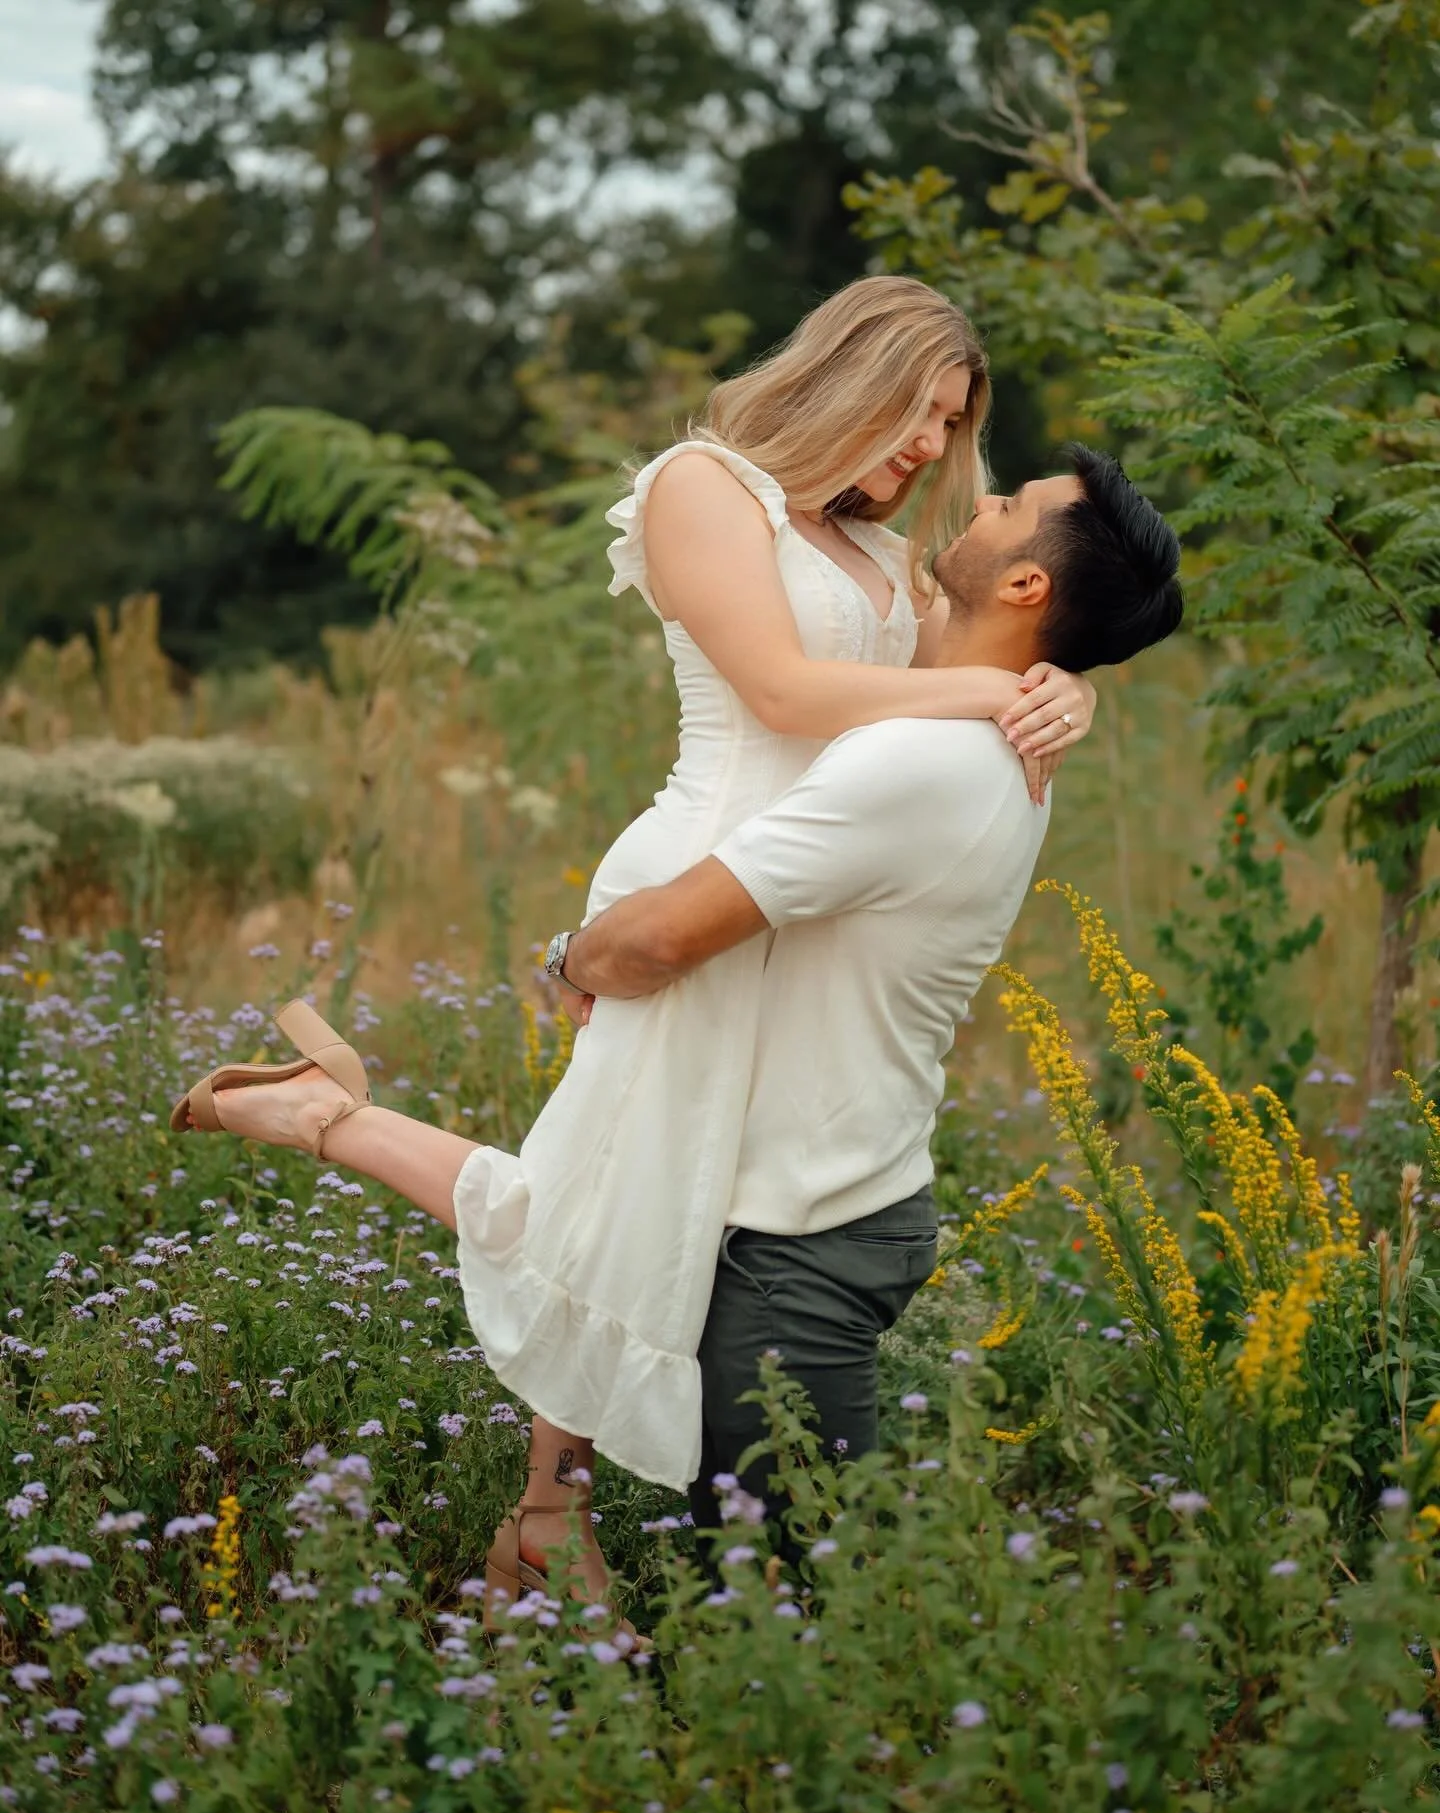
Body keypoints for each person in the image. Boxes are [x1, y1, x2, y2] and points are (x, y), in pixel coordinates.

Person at [170, 277, 1098, 1628]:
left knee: (641, 1202)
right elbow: (783, 693)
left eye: (951, 434)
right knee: (619, 1203)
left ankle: (532, 1482)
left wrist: (1061, 682)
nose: (927, 456)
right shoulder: (702, 486)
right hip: (697, 873)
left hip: (798, 891)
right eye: (920, 417)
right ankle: (547, 1496)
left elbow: (1016, 620)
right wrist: (988, 688)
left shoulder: (896, 560)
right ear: (852, 372)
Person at [552, 444, 1184, 1546]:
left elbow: (659, 937)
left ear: (1029, 584)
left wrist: (566, 960)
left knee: (787, 1596)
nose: (973, 497)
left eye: (1006, 504)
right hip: (831, 1198)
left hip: (801, 1237)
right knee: (760, 1580)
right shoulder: (967, 731)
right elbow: (919, 647)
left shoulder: (918, 764)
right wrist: (1061, 679)